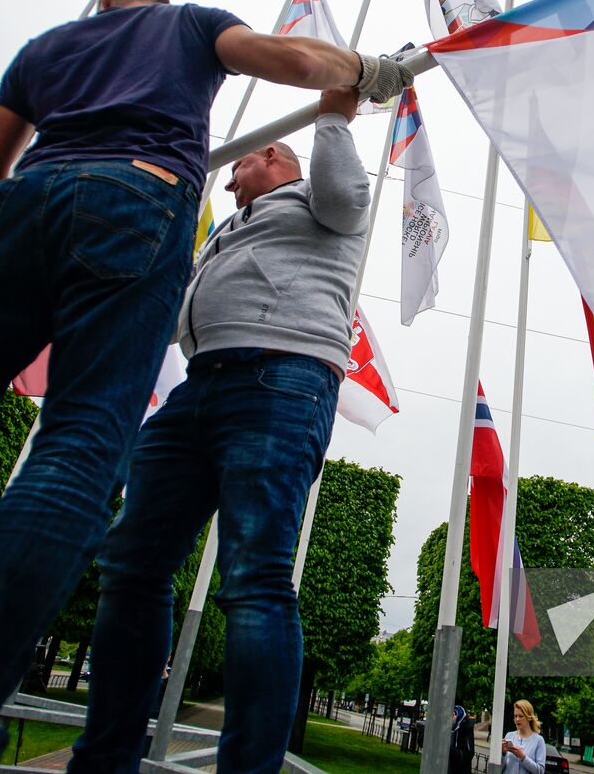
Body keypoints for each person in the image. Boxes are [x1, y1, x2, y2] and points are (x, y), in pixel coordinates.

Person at [0, 0, 411, 773]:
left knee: (253, 575)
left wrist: (342, 107)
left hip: (270, 379)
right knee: (123, 545)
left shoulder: (56, 52)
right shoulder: (194, 77)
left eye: (264, 154)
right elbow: (276, 64)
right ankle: (88, 755)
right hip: (187, 349)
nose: (246, 160)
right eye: (250, 157)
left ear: (104, 4)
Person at [65, 86, 371, 774]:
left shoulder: (320, 200)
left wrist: (329, 117)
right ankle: (105, 757)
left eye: (239, 166)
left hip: (281, 377)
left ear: (272, 154)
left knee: (255, 574)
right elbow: (176, 314)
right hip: (199, 383)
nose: (227, 176)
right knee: (131, 564)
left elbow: (350, 194)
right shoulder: (226, 231)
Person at [501, 700, 547, 774]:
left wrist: (522, 757)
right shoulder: (509, 735)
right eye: (515, 716)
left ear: (529, 717)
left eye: (521, 716)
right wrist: (502, 754)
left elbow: (540, 771)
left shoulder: (539, 740)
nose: (517, 719)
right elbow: (500, 768)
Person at [449, 705, 475, 774]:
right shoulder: (448, 728)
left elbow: (468, 754)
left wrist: (449, 750)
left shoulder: (466, 728)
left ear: (459, 716)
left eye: (453, 715)